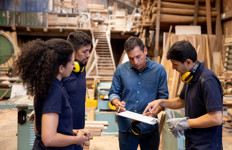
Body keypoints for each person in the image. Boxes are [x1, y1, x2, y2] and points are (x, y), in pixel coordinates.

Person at [143, 40, 223, 150]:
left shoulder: (207, 80)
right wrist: (161, 102)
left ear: (188, 62)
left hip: (207, 145)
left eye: (175, 64)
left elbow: (216, 118)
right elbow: (182, 101)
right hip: (193, 142)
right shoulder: (191, 77)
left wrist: (185, 123)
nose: (173, 68)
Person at [15, 39, 89, 149]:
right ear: (61, 68)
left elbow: (44, 128)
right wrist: (76, 140)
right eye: (72, 63)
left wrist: (72, 131)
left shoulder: (50, 85)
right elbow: (49, 139)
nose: (74, 66)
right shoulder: (55, 92)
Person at [109, 36, 169, 150]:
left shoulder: (159, 70)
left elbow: (163, 98)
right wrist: (117, 103)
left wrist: (155, 112)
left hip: (149, 128)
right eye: (131, 58)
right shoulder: (121, 70)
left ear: (145, 51)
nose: (135, 62)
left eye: (138, 57)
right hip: (126, 128)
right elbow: (113, 93)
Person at [62, 31, 92, 150]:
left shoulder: (81, 70)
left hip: (79, 131)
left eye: (89, 51)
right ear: (73, 52)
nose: (88, 55)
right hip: (64, 134)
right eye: (84, 51)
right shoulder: (62, 73)